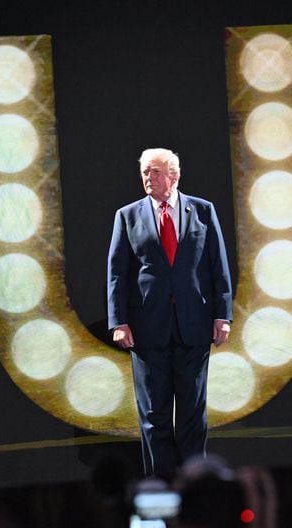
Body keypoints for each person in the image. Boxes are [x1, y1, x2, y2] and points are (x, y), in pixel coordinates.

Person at [107, 148, 232, 480]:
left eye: (156, 172)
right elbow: (117, 272)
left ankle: (195, 483)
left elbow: (217, 266)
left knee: (193, 415)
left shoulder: (202, 211)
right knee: (154, 416)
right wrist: (119, 322)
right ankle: (161, 484)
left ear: (174, 175)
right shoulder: (128, 216)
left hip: (194, 326)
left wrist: (223, 315)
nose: (149, 178)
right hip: (148, 330)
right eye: (145, 172)